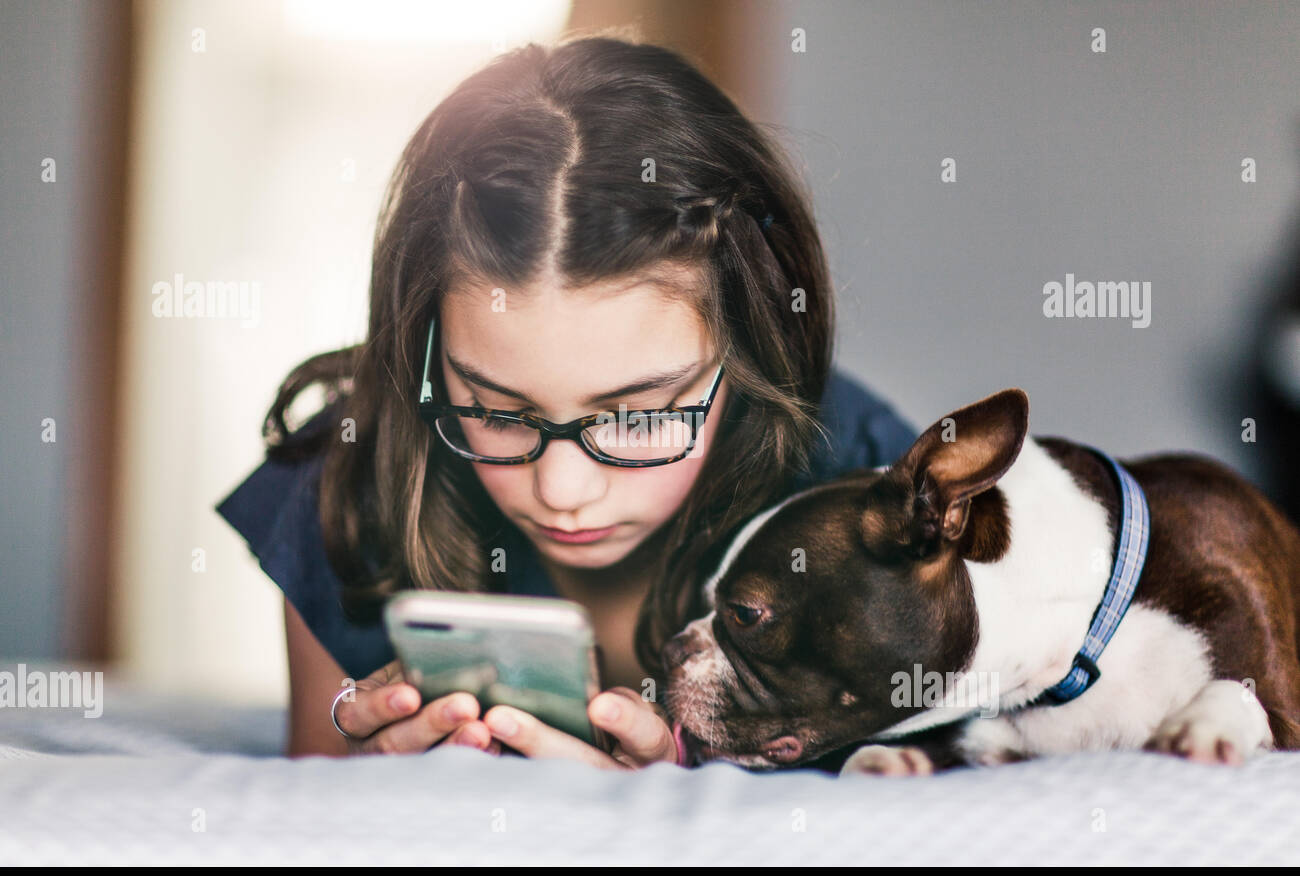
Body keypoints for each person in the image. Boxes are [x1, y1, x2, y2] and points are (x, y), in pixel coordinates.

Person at [215, 32, 917, 769]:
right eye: (493, 410)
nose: (561, 491)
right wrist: (366, 780)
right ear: (423, 349)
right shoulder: (353, 473)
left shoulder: (866, 489)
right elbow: (313, 782)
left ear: (749, 355)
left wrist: (672, 808)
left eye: (642, 415)